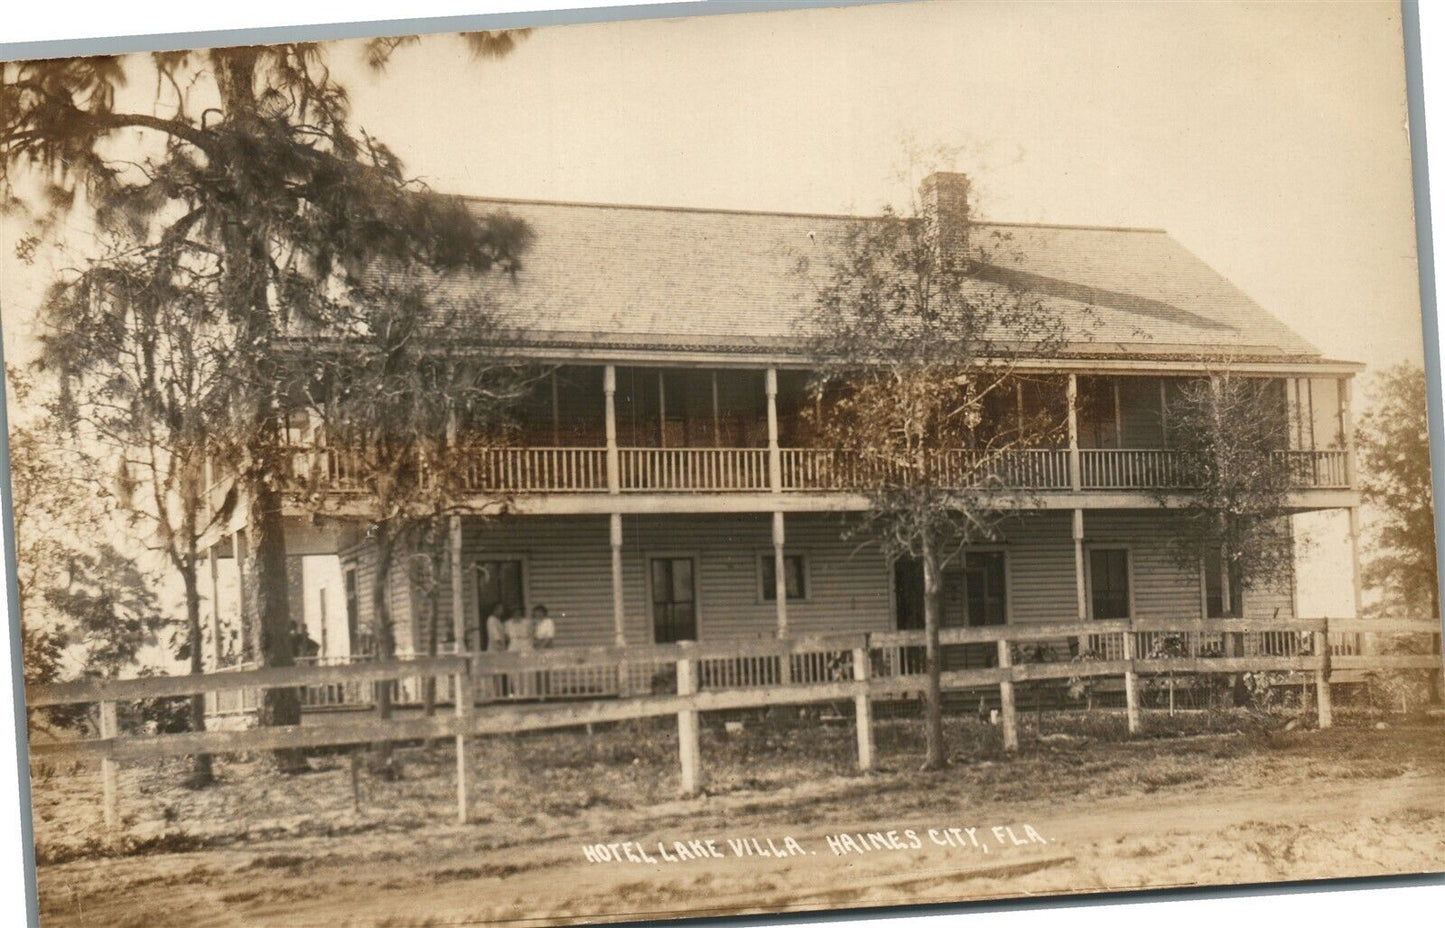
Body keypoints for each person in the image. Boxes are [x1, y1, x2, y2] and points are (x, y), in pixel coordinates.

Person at [504, 607, 536, 698]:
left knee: (527, 668)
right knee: (513, 669)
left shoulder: (527, 622)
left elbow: (531, 634)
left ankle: (528, 693)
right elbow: (506, 637)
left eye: (519, 612)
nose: (517, 614)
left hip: (525, 643)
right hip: (513, 644)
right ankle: (517, 692)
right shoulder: (507, 623)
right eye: (515, 612)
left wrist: (530, 645)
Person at [484, 604, 508, 698]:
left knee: (499, 672)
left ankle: (498, 693)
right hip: (495, 648)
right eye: (500, 609)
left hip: (500, 648)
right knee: (494, 671)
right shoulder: (491, 619)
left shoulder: (498, 620)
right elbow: (495, 634)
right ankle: (493, 694)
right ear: (495, 610)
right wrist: (499, 644)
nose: (501, 611)